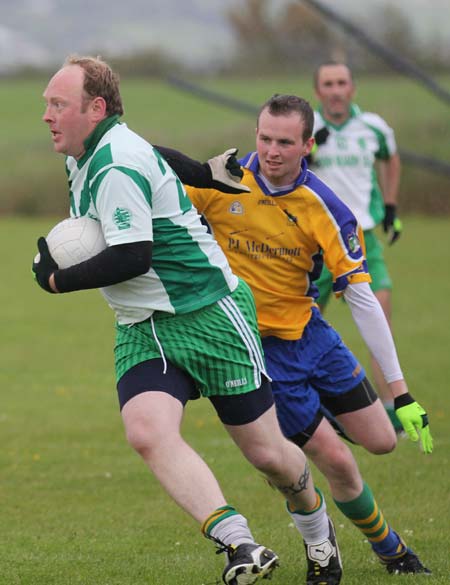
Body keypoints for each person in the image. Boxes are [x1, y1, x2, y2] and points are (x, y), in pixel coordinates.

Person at [32, 55, 343, 585]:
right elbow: (158, 155)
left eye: (58, 104)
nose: (47, 115)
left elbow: (134, 256)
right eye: (47, 104)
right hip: (142, 324)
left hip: (209, 316)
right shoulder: (88, 149)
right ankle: (239, 542)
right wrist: (202, 173)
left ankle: (317, 532)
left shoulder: (115, 164)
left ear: (96, 108)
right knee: (148, 432)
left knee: (270, 456)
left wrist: (55, 279)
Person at [185, 94, 433, 578]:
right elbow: (161, 202)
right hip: (261, 352)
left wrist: (401, 393)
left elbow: (361, 298)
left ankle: (314, 423)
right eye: (264, 138)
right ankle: (390, 549)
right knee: (335, 459)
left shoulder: (324, 205)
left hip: (313, 336)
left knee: (383, 441)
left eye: (284, 142)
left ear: (307, 145)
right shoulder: (220, 181)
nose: (271, 151)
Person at [309, 61, 404, 433]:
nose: (335, 90)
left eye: (342, 82)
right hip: (316, 243)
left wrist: (391, 206)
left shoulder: (374, 127)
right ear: (318, 92)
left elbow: (391, 159)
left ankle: (392, 406)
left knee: (380, 317)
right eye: (328, 83)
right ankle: (305, 402)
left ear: (352, 88)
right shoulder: (308, 128)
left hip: (362, 238)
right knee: (299, 326)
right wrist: (311, 153)